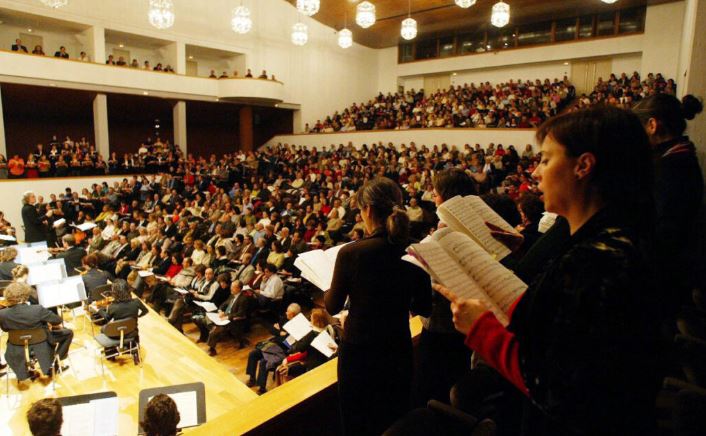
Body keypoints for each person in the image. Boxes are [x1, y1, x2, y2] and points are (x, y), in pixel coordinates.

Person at [432, 106, 660, 435]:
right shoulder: (616, 235)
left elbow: (555, 386)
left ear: (583, 166)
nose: (536, 173)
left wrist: (480, 327)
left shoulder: (597, 259)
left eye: (546, 159)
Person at [325, 177, 432, 436]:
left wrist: (328, 287)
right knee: (393, 420)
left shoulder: (352, 253)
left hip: (360, 353)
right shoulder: (414, 250)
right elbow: (424, 307)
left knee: (357, 423)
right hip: (398, 349)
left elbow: (333, 304)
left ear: (369, 210)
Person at [633, 93, 704, 315]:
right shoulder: (675, 159)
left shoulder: (672, 166)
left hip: (665, 276)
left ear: (652, 125)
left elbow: (667, 231)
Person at [415, 168, 476, 405]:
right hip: (466, 328)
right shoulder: (475, 225)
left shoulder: (446, 234)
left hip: (442, 325)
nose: (433, 198)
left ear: (448, 198)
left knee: (433, 394)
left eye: (437, 193)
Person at [0, 283, 74, 386]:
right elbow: (57, 320)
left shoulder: (2, 314)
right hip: (41, 344)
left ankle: (28, 365)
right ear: (25, 295)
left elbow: (5, 329)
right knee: (68, 333)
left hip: (17, 348)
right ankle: (56, 362)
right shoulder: (37, 309)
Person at [194, 280, 250, 356]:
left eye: (233, 287)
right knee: (205, 317)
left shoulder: (243, 299)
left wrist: (227, 317)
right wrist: (220, 310)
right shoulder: (232, 295)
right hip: (224, 316)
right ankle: (213, 327)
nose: (231, 289)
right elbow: (224, 304)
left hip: (233, 320)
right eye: (231, 287)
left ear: (239, 289)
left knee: (214, 331)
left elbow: (241, 313)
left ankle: (212, 349)